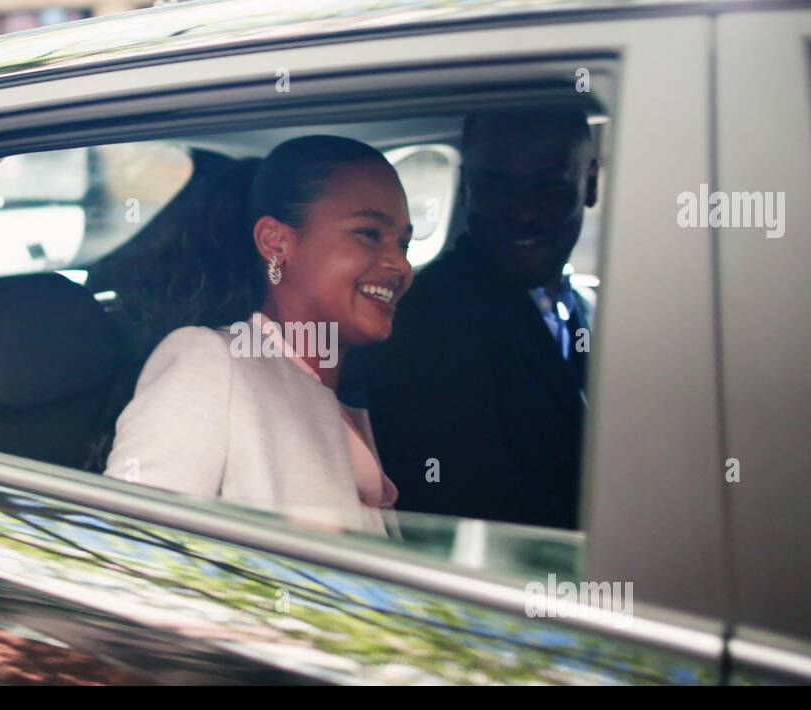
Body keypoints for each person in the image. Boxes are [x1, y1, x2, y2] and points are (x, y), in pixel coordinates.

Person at [105, 135, 414, 534]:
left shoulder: (339, 391)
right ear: (276, 242)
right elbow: (130, 551)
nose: (400, 264)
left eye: (404, 243)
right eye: (368, 233)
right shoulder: (209, 362)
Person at [362, 105, 599, 529]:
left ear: (591, 183)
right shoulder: (425, 325)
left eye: (549, 186)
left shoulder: (581, 306)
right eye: (497, 185)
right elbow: (464, 515)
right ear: (468, 186)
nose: (522, 211)